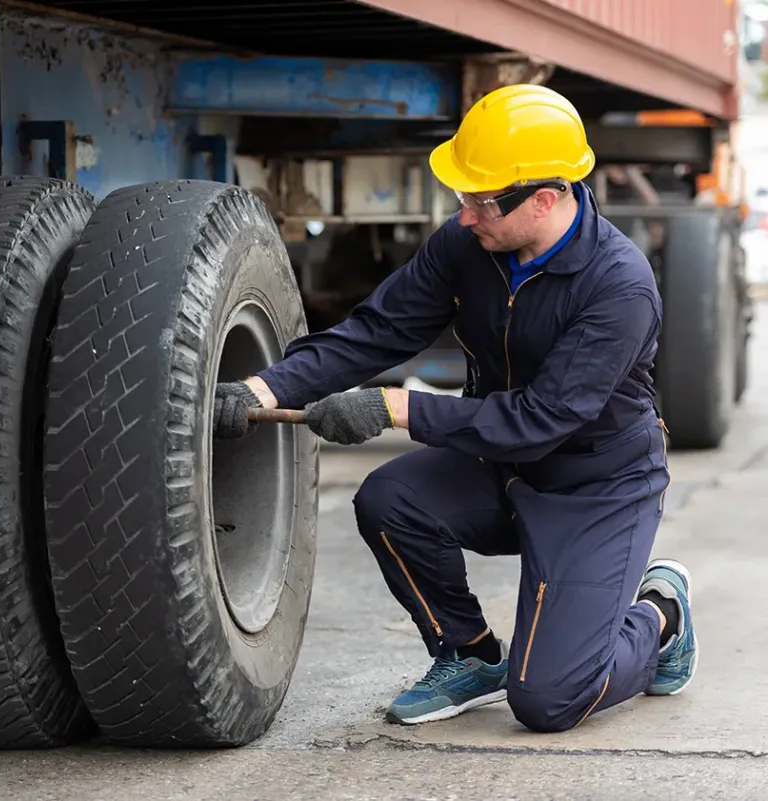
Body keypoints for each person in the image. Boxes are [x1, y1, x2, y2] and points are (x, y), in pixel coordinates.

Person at [212, 83, 698, 733]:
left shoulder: (620, 286)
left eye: (482, 201)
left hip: (596, 486)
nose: (465, 216)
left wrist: (397, 408)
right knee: (387, 500)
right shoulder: (469, 246)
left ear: (545, 198)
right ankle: (468, 653)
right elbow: (375, 331)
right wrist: (265, 389)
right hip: (498, 464)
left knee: (550, 700)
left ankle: (660, 615)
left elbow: (539, 420)